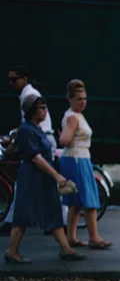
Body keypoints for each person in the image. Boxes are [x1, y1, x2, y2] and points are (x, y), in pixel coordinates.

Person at [4, 95, 84, 264]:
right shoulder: (27, 130)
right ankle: (12, 251)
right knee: (24, 213)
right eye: (41, 108)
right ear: (32, 110)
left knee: (53, 210)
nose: (45, 111)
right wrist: (56, 176)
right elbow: (36, 158)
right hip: (33, 176)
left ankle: (65, 249)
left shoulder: (35, 128)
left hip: (42, 176)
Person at [2, 66, 58, 234]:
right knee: (46, 186)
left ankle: (13, 221)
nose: (11, 83)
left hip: (41, 139)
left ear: (24, 79)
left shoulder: (28, 96)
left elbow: (27, 124)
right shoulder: (28, 94)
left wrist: (13, 138)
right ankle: (55, 225)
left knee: (30, 185)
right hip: (42, 138)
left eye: (14, 79)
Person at [59, 79, 112, 250]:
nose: (83, 102)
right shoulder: (73, 118)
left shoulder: (75, 115)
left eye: (84, 98)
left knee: (75, 201)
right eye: (79, 99)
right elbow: (65, 139)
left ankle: (71, 237)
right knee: (89, 199)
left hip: (78, 158)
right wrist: (67, 136)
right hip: (77, 159)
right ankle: (94, 237)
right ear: (70, 99)